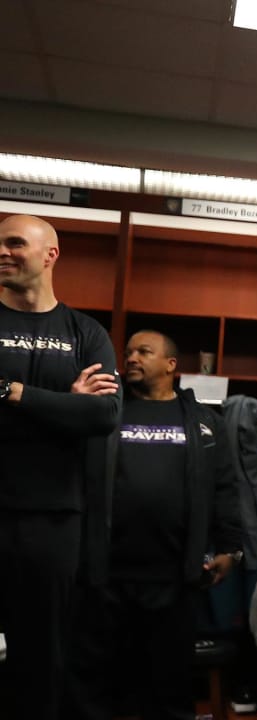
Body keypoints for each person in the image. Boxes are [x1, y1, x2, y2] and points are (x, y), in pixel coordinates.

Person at [65, 330, 243, 720]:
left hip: (173, 581)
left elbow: (225, 489)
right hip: (104, 577)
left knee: (169, 687)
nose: (131, 358)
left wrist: (231, 548)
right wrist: (77, 406)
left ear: (171, 365)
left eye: (144, 351)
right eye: (128, 352)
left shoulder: (204, 423)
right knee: (95, 686)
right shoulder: (106, 411)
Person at [0, 214, 121, 720]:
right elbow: (78, 413)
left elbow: (102, 414)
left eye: (14, 243)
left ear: (50, 254)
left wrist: (13, 393)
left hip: (55, 518)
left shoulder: (85, 333)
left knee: (42, 653)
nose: (3, 252)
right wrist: (62, 407)